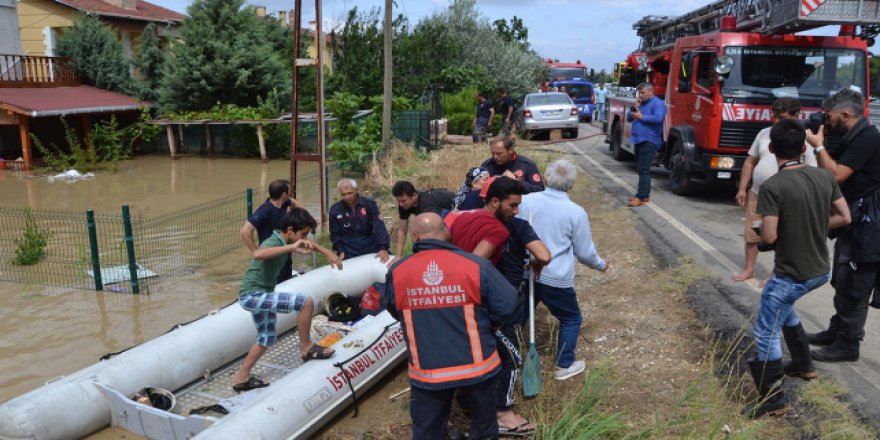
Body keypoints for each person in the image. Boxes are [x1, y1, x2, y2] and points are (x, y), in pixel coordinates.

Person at [743, 119, 850, 418]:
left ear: (773, 148)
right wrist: (812, 226)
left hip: (793, 274)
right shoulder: (824, 178)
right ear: (803, 147)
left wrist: (764, 230)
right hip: (819, 270)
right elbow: (844, 216)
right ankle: (803, 365)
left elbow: (770, 237)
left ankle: (774, 400)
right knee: (784, 309)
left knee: (765, 331)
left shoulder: (773, 186)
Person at [381, 213, 517, 440]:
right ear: (446, 231)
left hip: (428, 371)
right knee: (484, 429)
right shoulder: (474, 265)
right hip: (478, 366)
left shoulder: (398, 272)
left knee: (428, 431)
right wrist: (485, 323)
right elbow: (507, 305)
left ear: (415, 236)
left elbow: (394, 309)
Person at [448, 176, 550, 435]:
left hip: (457, 301)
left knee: (473, 355)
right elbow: (543, 254)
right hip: (490, 305)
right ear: (495, 202)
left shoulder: (461, 219)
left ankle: (468, 402)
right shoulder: (504, 229)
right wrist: (536, 264)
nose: (516, 211)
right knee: (510, 357)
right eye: (513, 205)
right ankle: (501, 414)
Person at [806, 88, 880, 362]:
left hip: (869, 228)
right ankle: (837, 331)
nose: (827, 120)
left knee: (856, 287)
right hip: (854, 223)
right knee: (843, 281)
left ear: (846, 115)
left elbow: (835, 175)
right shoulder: (852, 136)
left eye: (831, 116)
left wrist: (818, 145)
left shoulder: (868, 139)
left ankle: (848, 345)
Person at [517, 159, 608, 380]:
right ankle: (564, 364)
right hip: (555, 278)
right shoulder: (575, 212)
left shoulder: (526, 202)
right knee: (571, 318)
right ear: (572, 184)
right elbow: (585, 252)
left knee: (517, 317)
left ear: (546, 179)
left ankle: (509, 359)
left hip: (526, 271)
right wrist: (600, 264)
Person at [232, 208, 342, 391]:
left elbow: (310, 245)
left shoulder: (289, 239)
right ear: (290, 230)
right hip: (253, 295)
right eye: (303, 234)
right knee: (305, 302)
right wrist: (292, 247)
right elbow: (257, 254)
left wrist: (328, 253)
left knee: (266, 338)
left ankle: (241, 378)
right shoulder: (274, 241)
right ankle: (306, 348)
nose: (305, 238)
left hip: (261, 294)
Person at [734, 98, 818, 283]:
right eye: (775, 117)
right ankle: (749, 269)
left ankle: (776, 273)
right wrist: (743, 188)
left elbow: (811, 170)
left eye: (782, 118)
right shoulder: (764, 133)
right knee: (752, 233)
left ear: (797, 116)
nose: (777, 122)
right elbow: (750, 162)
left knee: (782, 236)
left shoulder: (804, 137)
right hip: (758, 193)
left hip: (786, 197)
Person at [239, 179, 304, 283]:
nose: (292, 193)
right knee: (276, 285)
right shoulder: (265, 210)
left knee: (287, 282)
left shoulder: (284, 203)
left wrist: (305, 218)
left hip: (285, 254)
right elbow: (245, 231)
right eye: (290, 190)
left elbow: (294, 203)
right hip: (271, 257)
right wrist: (256, 251)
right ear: (283, 194)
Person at [328, 178, 390, 262]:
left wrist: (383, 247)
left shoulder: (369, 204)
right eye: (343, 194)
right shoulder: (335, 210)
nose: (347, 197)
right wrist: (340, 250)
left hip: (370, 244)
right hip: (348, 249)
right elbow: (334, 234)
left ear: (356, 190)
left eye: (350, 193)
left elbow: (379, 226)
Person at [627, 82, 668, 207]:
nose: (640, 95)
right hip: (638, 140)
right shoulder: (641, 104)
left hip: (649, 141)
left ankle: (642, 196)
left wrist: (642, 116)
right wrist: (636, 107)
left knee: (644, 169)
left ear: (651, 92)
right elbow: (629, 118)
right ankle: (644, 194)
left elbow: (658, 118)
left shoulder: (658, 104)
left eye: (643, 92)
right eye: (639, 93)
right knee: (640, 168)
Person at [392, 181, 454, 258]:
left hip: (456, 209)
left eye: (404, 201)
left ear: (414, 195)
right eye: (399, 201)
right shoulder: (403, 206)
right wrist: (398, 256)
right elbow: (402, 230)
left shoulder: (426, 201)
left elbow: (435, 231)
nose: (401, 204)